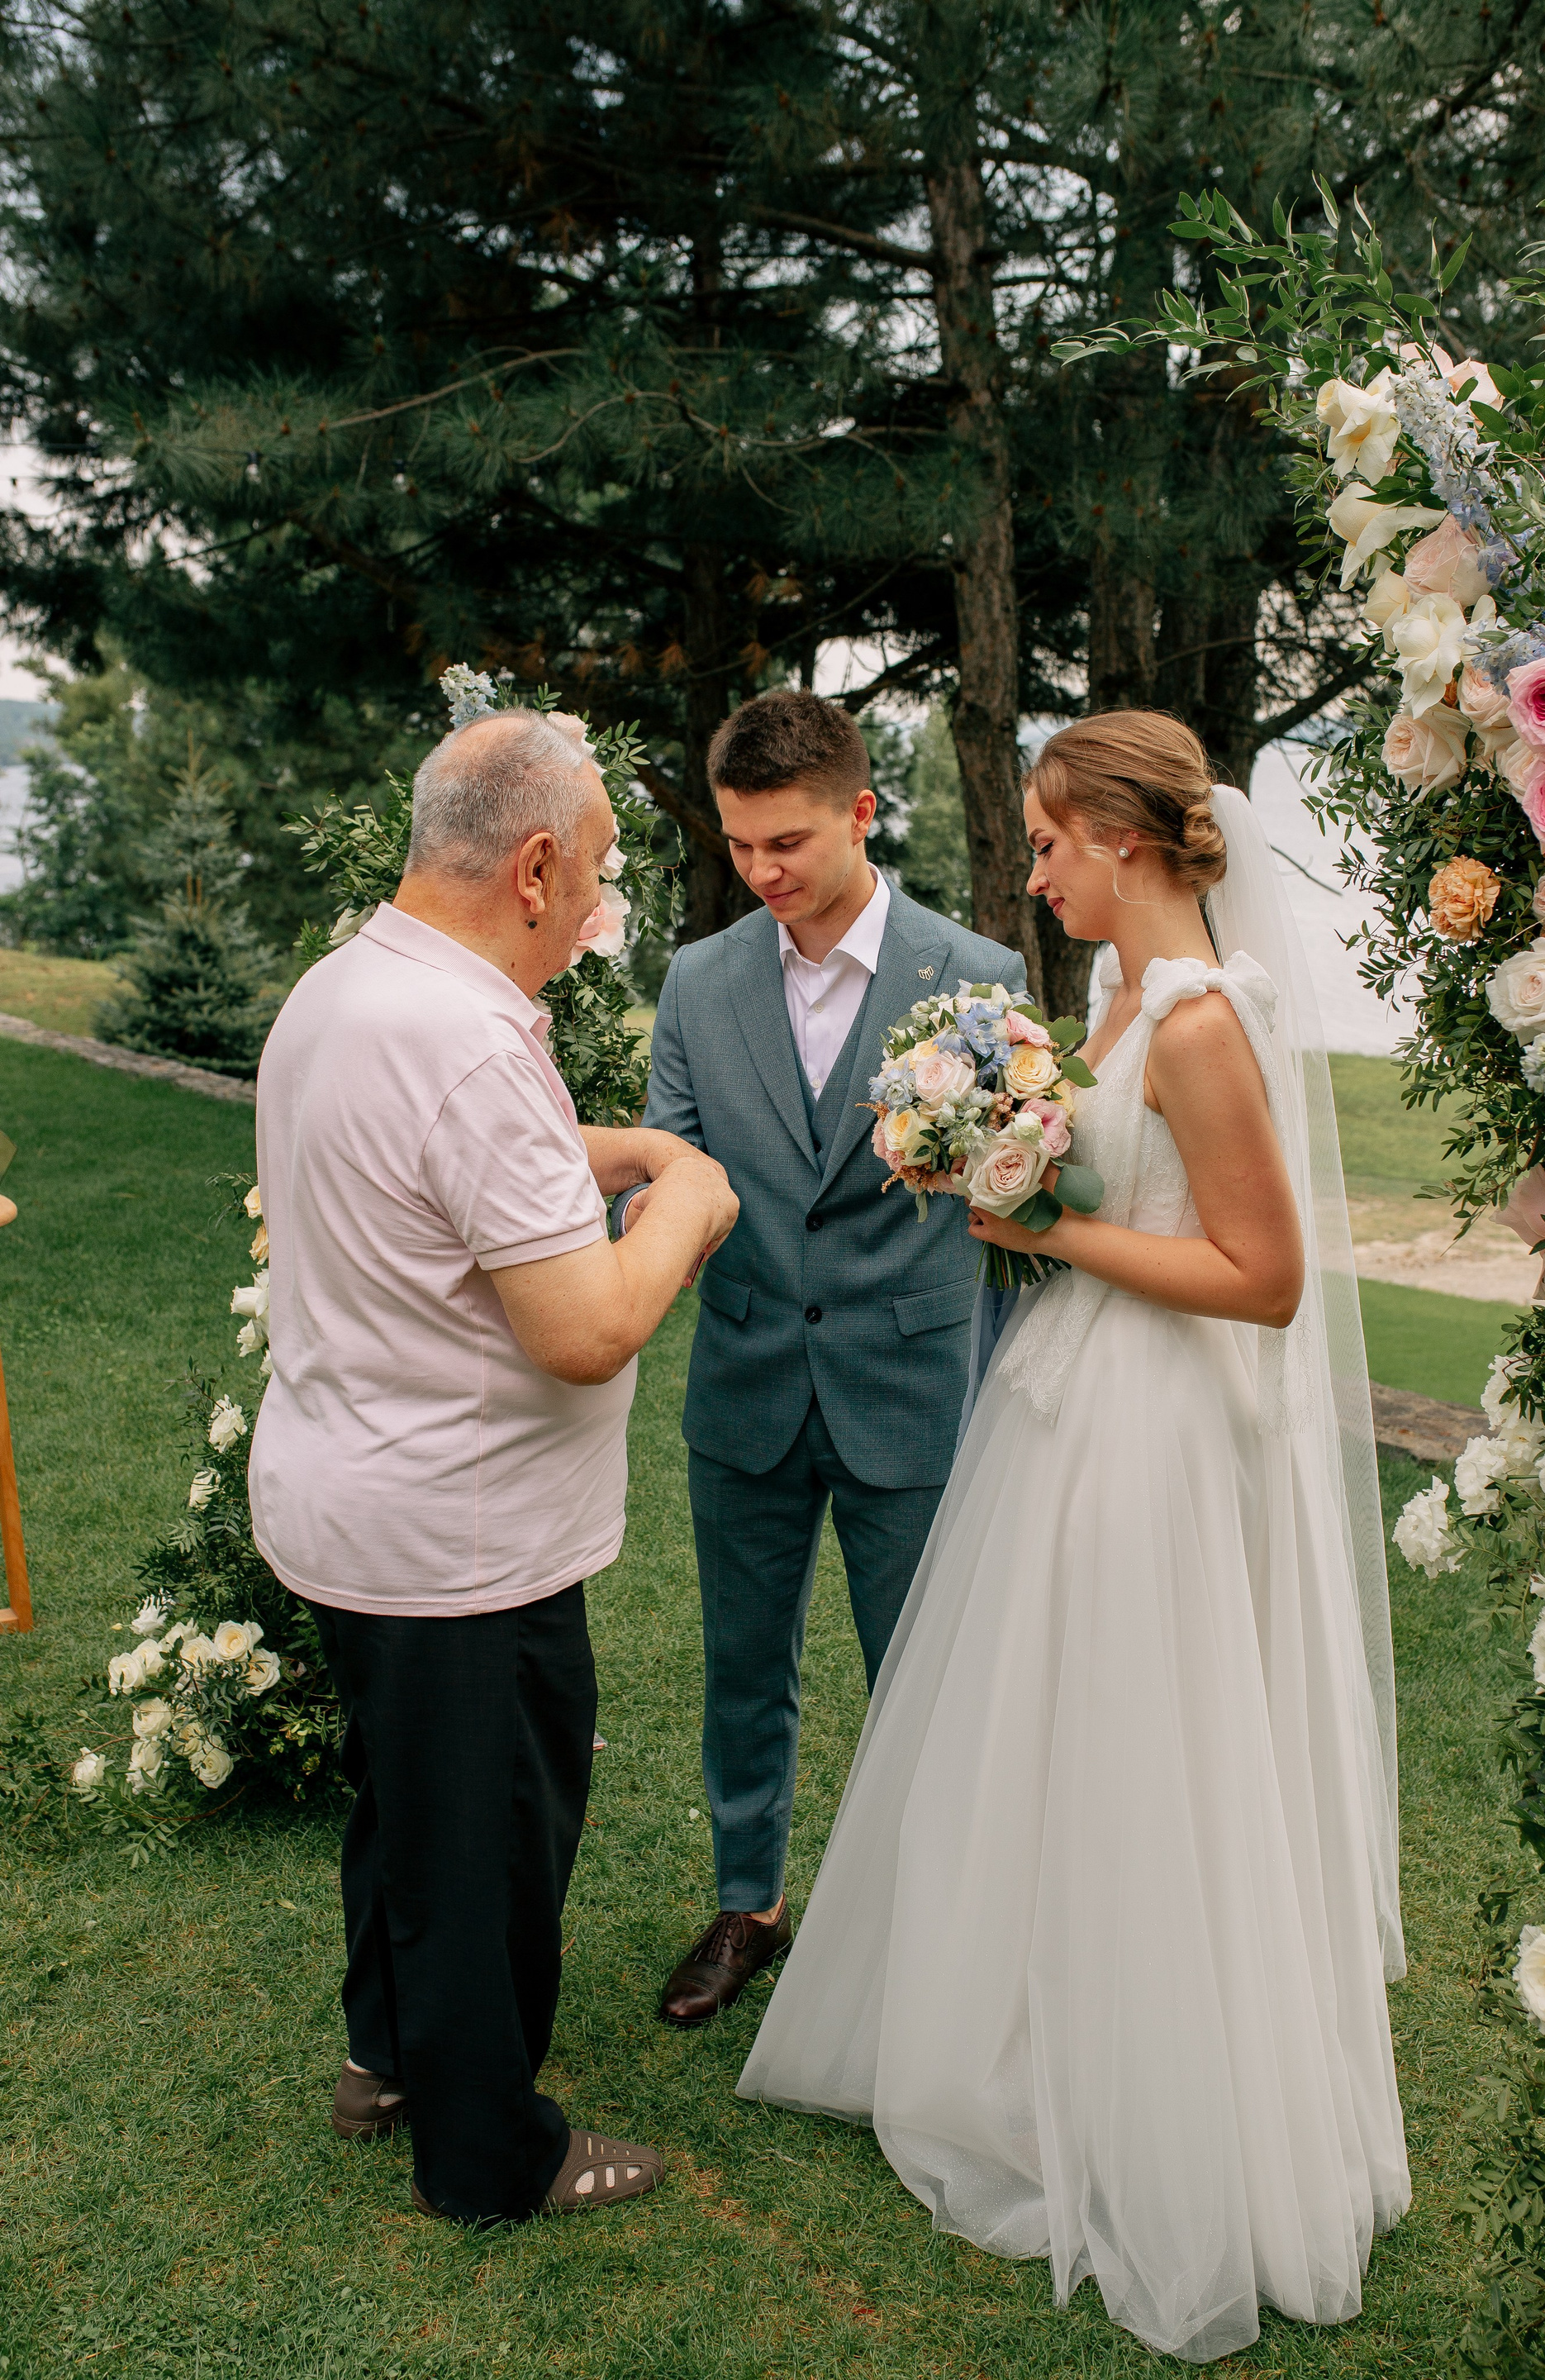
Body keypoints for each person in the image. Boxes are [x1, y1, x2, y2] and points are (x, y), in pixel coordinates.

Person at [738, 710, 1410, 2364]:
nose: (1033, 874)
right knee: (1058, 1737)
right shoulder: (1121, 995)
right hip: (1074, 1400)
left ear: (1121, 838)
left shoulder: (1199, 1020)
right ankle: (1052, 2043)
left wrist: (1050, 1231)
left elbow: (1265, 1280)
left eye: (1048, 844)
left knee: (1141, 1743)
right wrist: (1015, 1185)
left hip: (1153, 1425)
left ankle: (1167, 2106)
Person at [249, 707, 739, 2227]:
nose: (601, 898)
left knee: (405, 1808)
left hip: (354, 1499)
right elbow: (585, 1330)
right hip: (458, 1540)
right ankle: (488, 2155)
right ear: (532, 868)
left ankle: (385, 2058)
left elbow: (456, 1166)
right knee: (488, 1848)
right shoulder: (462, 1038)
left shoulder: (354, 986)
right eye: (596, 866)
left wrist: (621, 1152)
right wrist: (689, 1200)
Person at [622, 688, 1025, 2027]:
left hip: (911, 1383)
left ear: (861, 811)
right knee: (745, 1670)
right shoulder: (700, 981)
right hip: (743, 1380)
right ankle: (750, 1905)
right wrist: (642, 1233)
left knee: (923, 1676)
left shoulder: (976, 976)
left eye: (786, 841)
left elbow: (1014, 1187)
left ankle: (931, 1930)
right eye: (740, 845)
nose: (762, 871)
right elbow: (670, 1164)